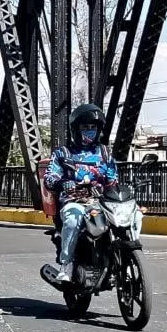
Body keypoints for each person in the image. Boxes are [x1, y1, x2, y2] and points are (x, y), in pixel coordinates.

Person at [42, 103, 119, 282]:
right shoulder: (63, 153)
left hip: (101, 201)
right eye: (85, 127)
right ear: (76, 129)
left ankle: (121, 260)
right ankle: (66, 264)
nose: (89, 131)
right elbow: (50, 177)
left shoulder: (105, 153)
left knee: (130, 217)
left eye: (93, 127)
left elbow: (113, 178)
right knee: (73, 219)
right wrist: (63, 183)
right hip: (74, 201)